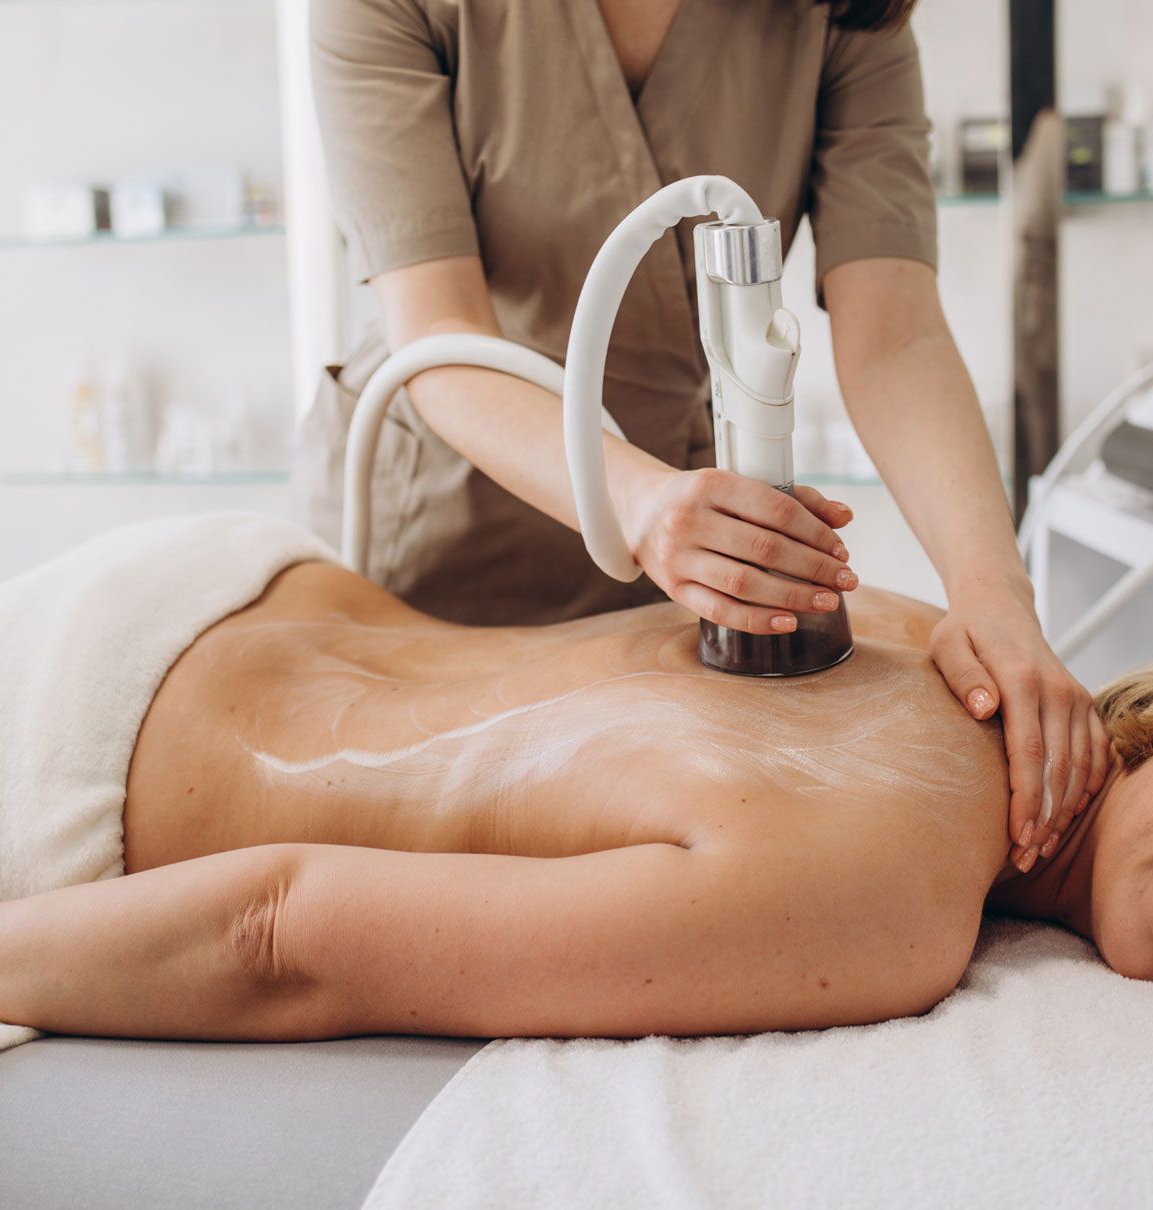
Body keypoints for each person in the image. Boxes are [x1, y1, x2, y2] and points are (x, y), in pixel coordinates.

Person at [0, 516, 1153, 1037]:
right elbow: (289, 932)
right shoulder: (884, 901)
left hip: (203, 582)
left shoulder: (924, 634)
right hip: (47, 766)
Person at [290, 0, 1099, 871]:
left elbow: (893, 332)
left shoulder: (836, 17)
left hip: (680, 558)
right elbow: (440, 335)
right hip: (440, 528)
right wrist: (636, 503)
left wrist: (992, 591)